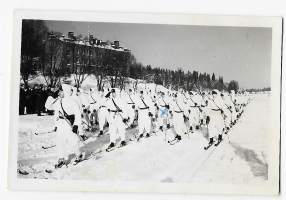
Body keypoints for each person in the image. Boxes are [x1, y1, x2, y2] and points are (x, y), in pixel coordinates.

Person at [45, 86, 85, 168]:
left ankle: (79, 155)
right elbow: (48, 106)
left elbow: (77, 114)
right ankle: (61, 158)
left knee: (73, 141)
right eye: (59, 91)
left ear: (65, 91)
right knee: (60, 141)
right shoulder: (58, 101)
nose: (59, 93)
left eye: (61, 91)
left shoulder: (72, 101)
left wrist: (76, 125)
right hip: (60, 124)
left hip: (69, 124)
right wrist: (51, 96)